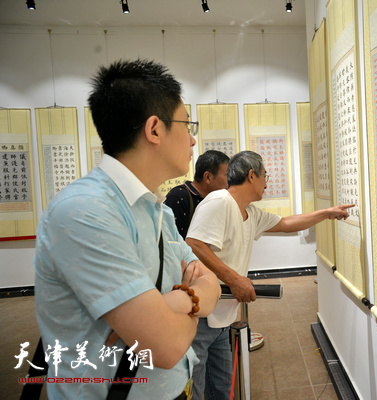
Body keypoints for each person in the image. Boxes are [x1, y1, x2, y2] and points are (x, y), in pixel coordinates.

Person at [34, 59, 221, 400]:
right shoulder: (85, 212)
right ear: (154, 130)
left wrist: (176, 302)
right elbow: (166, 348)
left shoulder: (156, 211)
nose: (193, 139)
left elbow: (211, 282)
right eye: (186, 124)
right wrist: (193, 299)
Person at [185, 150, 354, 400]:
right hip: (200, 315)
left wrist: (326, 214)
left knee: (221, 388)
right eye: (265, 175)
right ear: (251, 175)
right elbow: (195, 244)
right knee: (195, 389)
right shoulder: (219, 201)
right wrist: (235, 279)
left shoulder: (250, 213)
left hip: (223, 316)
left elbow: (286, 223)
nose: (268, 181)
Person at [165, 150, 230, 238]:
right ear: (208, 177)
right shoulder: (178, 197)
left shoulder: (218, 199)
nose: (230, 180)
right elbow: (170, 239)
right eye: (227, 175)